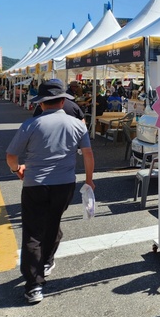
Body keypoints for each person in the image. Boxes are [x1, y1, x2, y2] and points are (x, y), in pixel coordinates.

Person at [5, 80, 95, 304]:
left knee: (33, 232)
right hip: (64, 184)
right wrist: (90, 180)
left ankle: (34, 285)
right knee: (53, 222)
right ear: (63, 100)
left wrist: (17, 170)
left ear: (42, 104)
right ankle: (46, 261)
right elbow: (88, 155)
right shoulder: (78, 125)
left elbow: (11, 156)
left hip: (35, 184)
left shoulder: (30, 124)